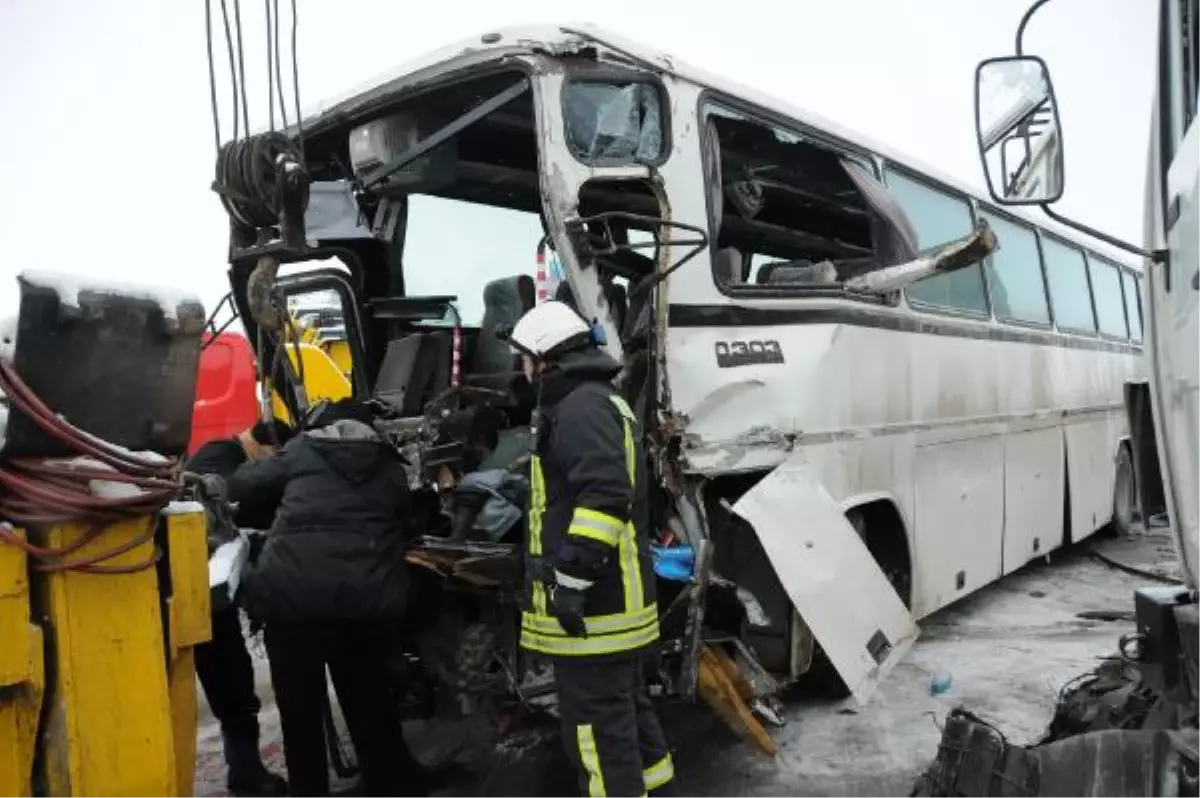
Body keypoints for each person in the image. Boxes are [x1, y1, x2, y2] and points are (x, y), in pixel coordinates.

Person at [507, 301, 679, 798]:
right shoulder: (596, 400)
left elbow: (604, 497)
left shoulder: (579, 406)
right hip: (613, 611)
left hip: (596, 615)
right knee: (628, 726)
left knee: (597, 743)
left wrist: (571, 583)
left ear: (543, 358)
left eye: (524, 357)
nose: (521, 367)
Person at [227, 399, 429, 798]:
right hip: (364, 606)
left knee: (300, 718)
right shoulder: (390, 468)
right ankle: (386, 785)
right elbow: (406, 525)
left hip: (291, 601)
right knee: (370, 707)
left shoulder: (300, 451)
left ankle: (310, 790)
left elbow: (242, 485)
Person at [187, 418, 295, 798]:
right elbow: (226, 506)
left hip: (205, 587)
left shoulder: (222, 456)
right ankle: (247, 775)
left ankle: (246, 771)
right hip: (203, 592)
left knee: (232, 686)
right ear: (265, 446)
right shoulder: (225, 456)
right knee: (231, 686)